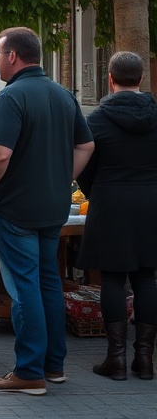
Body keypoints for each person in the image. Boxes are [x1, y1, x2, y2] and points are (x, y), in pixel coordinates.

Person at [0, 27, 94, 395]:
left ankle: (28, 372)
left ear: (12, 56)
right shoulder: (63, 95)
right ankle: (53, 366)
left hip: (15, 210)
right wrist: (60, 179)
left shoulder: (10, 98)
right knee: (48, 283)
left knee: (24, 288)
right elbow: (86, 146)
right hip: (52, 208)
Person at [76, 51, 157, 381]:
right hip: (151, 201)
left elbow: (85, 167)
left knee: (111, 277)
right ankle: (146, 359)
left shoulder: (96, 119)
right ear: (141, 79)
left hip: (110, 201)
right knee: (146, 277)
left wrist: (97, 192)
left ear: (110, 79)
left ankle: (116, 359)